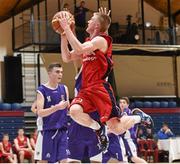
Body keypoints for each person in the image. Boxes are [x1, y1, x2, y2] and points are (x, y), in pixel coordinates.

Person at [59, 7, 153, 150]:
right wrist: (64, 36)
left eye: (91, 19)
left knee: (116, 128)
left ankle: (139, 117)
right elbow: (66, 57)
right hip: (86, 89)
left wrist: (67, 28)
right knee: (74, 111)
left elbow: (79, 49)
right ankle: (97, 128)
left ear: (96, 25)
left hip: (100, 89)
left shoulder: (101, 40)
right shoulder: (87, 42)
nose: (88, 21)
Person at [34, 63, 69, 163]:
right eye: (57, 72)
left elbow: (68, 109)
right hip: (48, 131)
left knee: (65, 161)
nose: (60, 74)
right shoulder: (42, 90)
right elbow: (40, 112)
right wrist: (57, 107)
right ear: (49, 73)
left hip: (62, 131)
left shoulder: (64, 89)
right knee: (44, 162)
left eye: (61, 72)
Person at [119, 97, 147, 163]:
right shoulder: (120, 113)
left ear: (127, 105)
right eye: (120, 102)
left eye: (124, 102)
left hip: (128, 139)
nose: (122, 104)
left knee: (133, 158)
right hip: (123, 139)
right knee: (123, 159)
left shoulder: (127, 111)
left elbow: (122, 121)